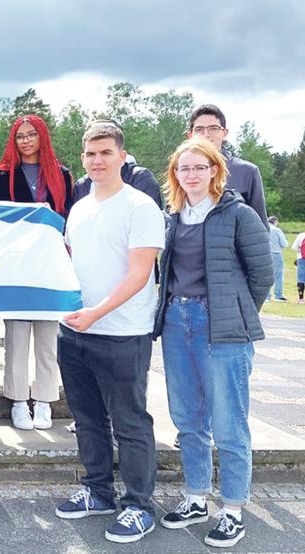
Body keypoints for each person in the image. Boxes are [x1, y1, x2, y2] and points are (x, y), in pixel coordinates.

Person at [153, 136, 272, 548]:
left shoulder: (237, 214)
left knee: (229, 423)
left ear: (215, 171)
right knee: (187, 418)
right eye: (184, 168)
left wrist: (235, 311)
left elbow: (263, 274)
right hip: (176, 321)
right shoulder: (171, 217)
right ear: (176, 174)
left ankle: (233, 509)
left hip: (221, 327)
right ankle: (195, 497)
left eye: (199, 167)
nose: (191, 174)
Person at [55, 122, 164, 544]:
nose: (97, 160)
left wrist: (98, 312)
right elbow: (68, 261)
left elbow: (140, 273)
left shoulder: (140, 206)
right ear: (82, 158)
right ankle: (98, 491)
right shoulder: (80, 207)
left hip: (122, 333)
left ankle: (139, 505)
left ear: (122, 156)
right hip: (76, 331)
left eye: (105, 152)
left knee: (130, 422)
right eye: (90, 154)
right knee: (87, 419)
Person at [0, 114, 72, 430]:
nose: (25, 141)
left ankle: (44, 401)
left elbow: (69, 216)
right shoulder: (3, 176)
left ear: (42, 137)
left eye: (31, 135)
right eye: (19, 136)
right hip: (17, 267)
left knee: (47, 339)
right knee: (17, 337)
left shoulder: (61, 175)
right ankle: (18, 401)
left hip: (50, 265)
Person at [187, 104, 267, 224]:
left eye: (213, 128)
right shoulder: (181, 172)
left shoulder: (246, 172)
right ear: (190, 135)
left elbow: (260, 226)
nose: (206, 134)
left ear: (224, 133)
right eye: (199, 129)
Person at [267, 216, 289, 301]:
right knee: (278, 275)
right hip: (276, 253)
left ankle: (267, 295)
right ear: (275, 222)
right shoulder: (277, 230)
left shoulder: (263, 227)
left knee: (267, 275)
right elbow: (284, 244)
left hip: (266, 254)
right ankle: (278, 295)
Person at [296, 230, 305, 304]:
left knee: (301, 279)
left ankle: (301, 299)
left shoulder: (301, 235)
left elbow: (294, 247)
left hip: (301, 258)